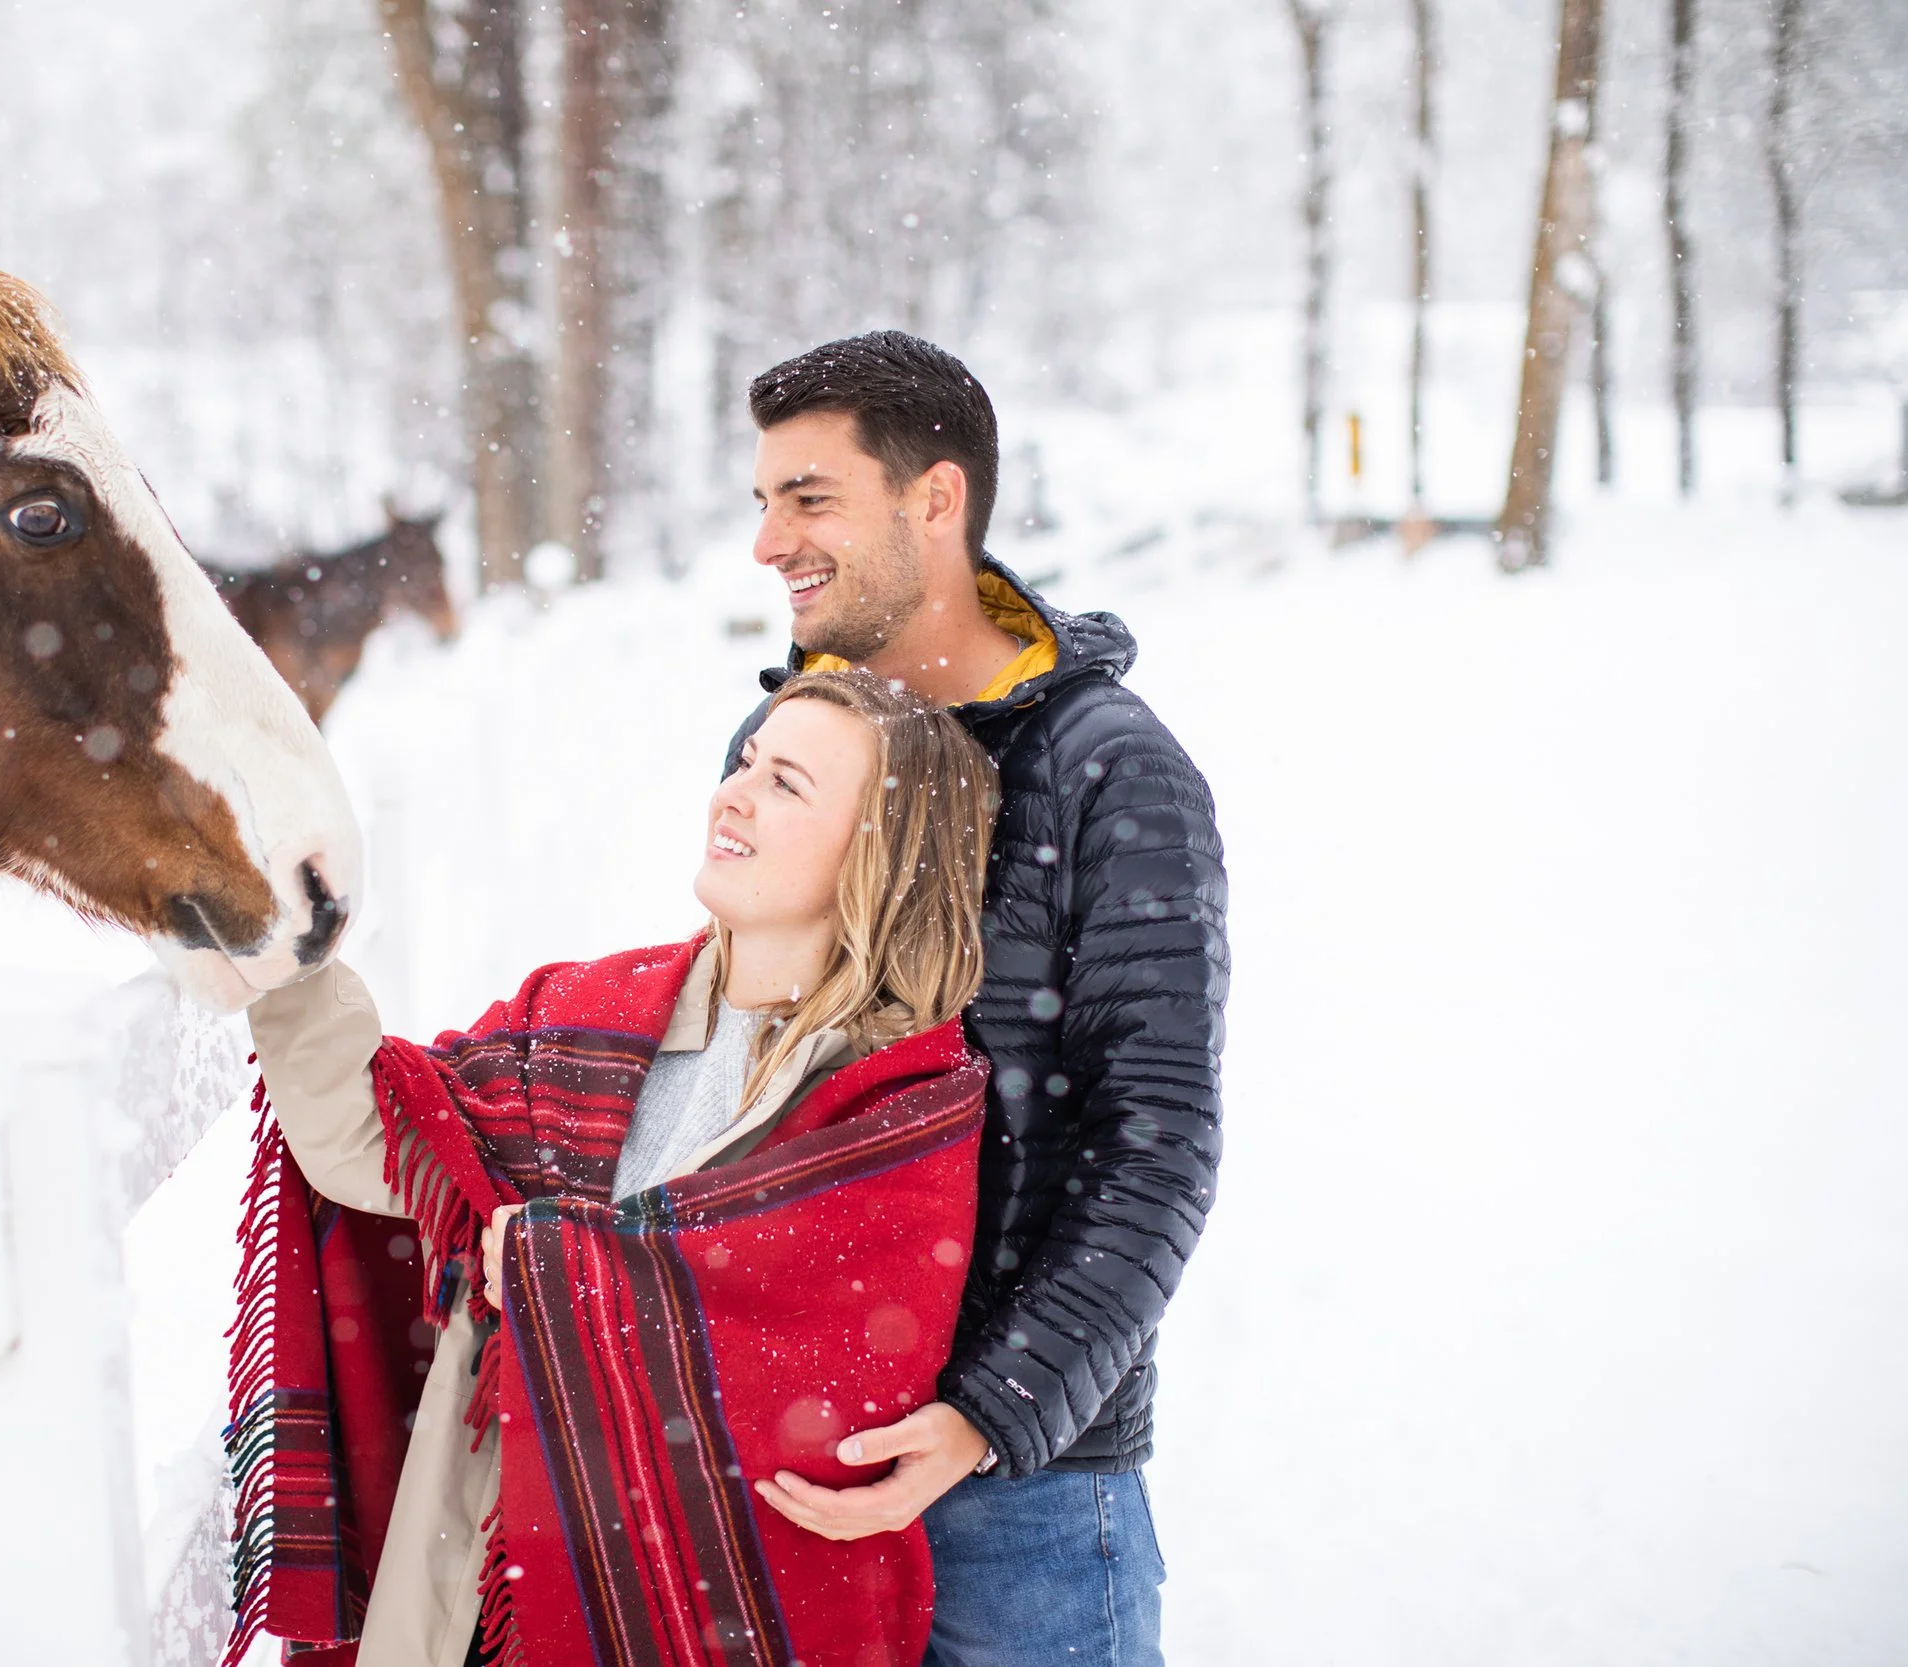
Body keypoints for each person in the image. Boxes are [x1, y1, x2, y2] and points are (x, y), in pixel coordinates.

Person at [229, 670, 1003, 1667]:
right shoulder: (587, 1013)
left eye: (786, 783)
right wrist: (276, 937)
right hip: (481, 1593)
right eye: (746, 762)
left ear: (883, 852)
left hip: (710, 1615)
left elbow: (804, 1386)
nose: (733, 793)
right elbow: (379, 1136)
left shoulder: (900, 1108)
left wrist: (548, 1262)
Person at [729, 331, 1229, 1667]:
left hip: (1025, 1499)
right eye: (763, 502)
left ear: (935, 500)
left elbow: (1157, 1140)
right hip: (792, 1460)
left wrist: (987, 1412)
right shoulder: (782, 749)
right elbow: (728, 1062)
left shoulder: (1109, 771)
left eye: (808, 498)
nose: (768, 542)